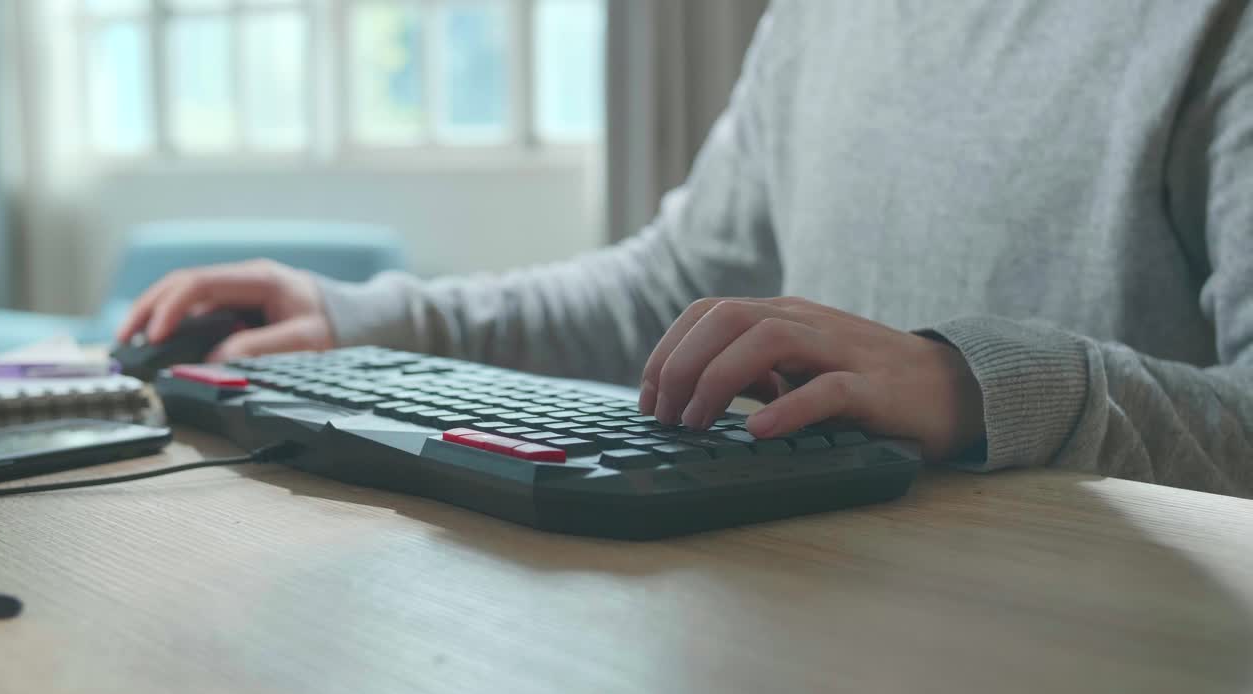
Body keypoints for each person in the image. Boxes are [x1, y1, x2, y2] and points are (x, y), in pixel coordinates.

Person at [118, 1, 1253, 496]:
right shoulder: (819, 18)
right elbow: (674, 290)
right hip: (811, 623)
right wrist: (368, 317)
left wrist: (974, 385)